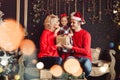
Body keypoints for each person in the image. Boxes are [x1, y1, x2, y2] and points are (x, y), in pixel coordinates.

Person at [63, 12, 92, 78]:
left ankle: (82, 77)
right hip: (74, 58)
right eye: (71, 22)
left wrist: (72, 47)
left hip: (85, 58)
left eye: (73, 22)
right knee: (68, 60)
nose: (71, 24)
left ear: (79, 23)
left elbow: (86, 51)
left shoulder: (86, 34)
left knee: (87, 66)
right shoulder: (70, 34)